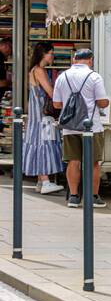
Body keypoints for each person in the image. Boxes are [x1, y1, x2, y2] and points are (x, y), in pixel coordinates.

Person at [51, 48, 109, 209]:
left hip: (69, 127)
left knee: (73, 161)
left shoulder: (62, 77)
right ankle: (93, 196)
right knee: (93, 163)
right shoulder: (94, 76)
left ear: (74, 60)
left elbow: (56, 104)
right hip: (91, 127)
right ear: (90, 60)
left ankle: (74, 197)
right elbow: (102, 102)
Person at [23, 42, 64, 194]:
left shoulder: (34, 70)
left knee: (39, 143)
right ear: (43, 54)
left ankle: (41, 181)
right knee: (43, 144)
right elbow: (51, 93)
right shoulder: (39, 71)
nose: (52, 56)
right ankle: (46, 181)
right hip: (42, 116)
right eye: (50, 53)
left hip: (36, 115)